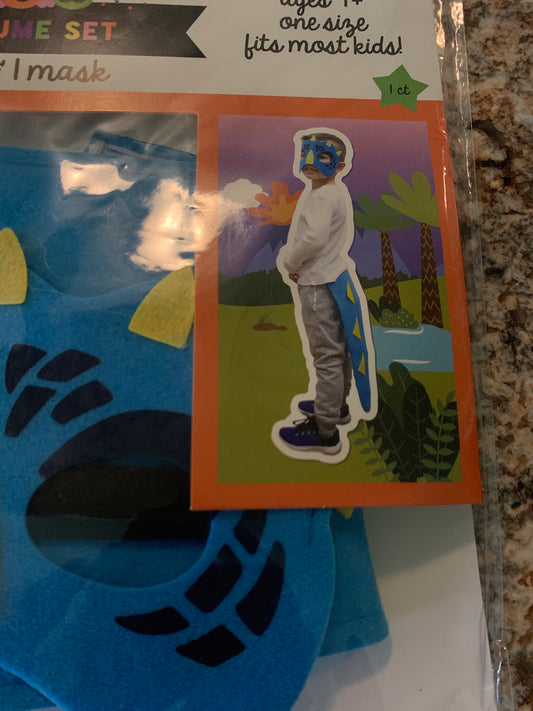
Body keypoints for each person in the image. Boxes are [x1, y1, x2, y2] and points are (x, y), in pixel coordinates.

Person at [274, 129, 375, 458]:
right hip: (335, 277)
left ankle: (325, 430)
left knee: (327, 356)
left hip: (318, 284)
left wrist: (290, 261)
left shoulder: (320, 197)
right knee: (340, 349)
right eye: (306, 154)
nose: (311, 161)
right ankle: (336, 406)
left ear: (340, 165)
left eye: (323, 156)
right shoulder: (335, 191)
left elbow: (314, 240)